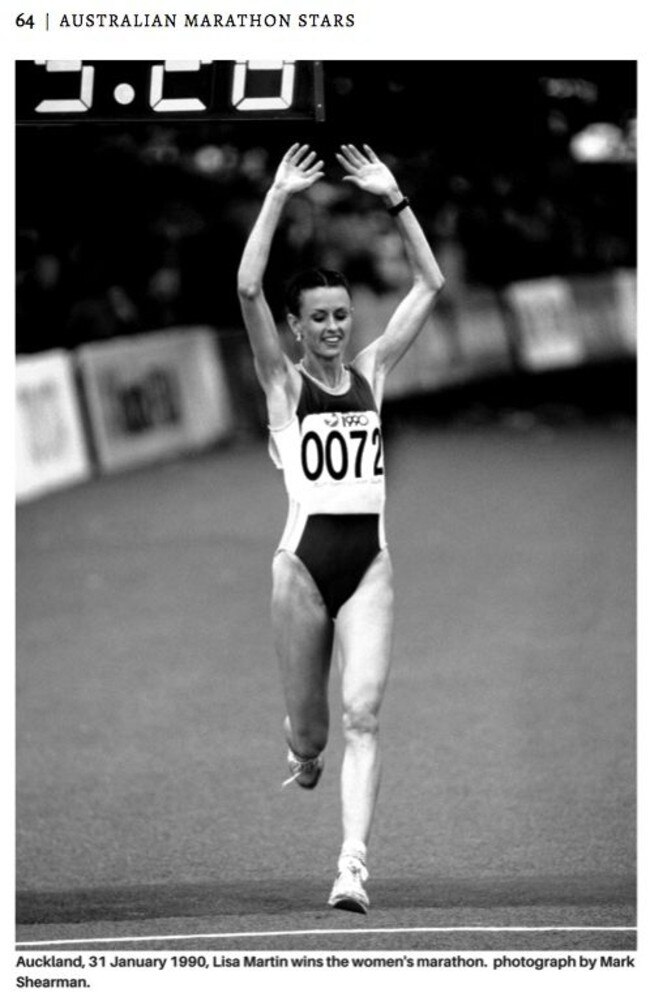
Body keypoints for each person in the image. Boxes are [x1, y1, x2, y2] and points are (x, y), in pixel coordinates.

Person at [237, 143, 444, 913]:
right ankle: (300, 744)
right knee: (317, 737)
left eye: (341, 315)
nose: (332, 327)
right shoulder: (283, 385)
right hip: (300, 570)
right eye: (317, 318)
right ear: (294, 328)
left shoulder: (374, 370)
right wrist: (278, 195)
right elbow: (247, 285)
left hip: (368, 566)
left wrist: (394, 197)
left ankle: (352, 865)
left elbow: (432, 282)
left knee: (364, 713)